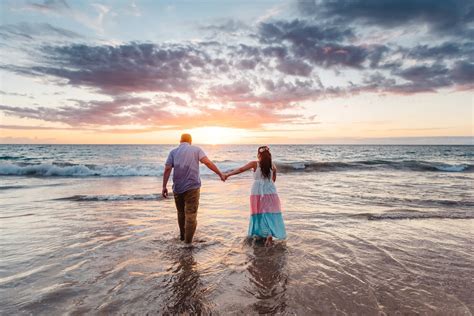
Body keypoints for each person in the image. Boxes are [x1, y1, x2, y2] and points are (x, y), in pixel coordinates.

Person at [162, 133, 225, 243]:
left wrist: (164, 186)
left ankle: (182, 237)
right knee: (191, 214)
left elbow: (167, 169)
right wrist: (220, 173)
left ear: (180, 141)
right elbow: (207, 163)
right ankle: (188, 243)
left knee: (181, 213)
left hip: (177, 188)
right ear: (190, 141)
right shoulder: (196, 150)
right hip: (192, 187)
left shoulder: (173, 152)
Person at [224, 146, 286, 246]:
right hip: (271, 191)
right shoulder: (272, 165)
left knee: (259, 213)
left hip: (257, 191)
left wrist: (228, 174)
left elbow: (240, 169)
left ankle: (263, 233)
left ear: (259, 155)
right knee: (269, 213)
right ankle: (269, 234)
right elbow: (273, 179)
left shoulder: (255, 164)